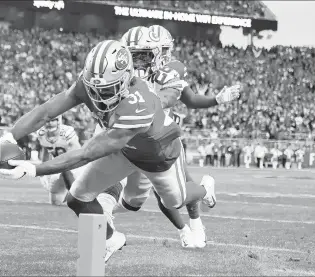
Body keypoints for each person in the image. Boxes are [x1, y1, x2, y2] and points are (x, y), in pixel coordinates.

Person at [0, 40, 217, 262]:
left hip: (158, 154)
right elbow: (46, 112)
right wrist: (10, 136)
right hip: (124, 149)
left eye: (108, 90)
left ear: (127, 79)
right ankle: (110, 239)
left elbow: (87, 153)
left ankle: (204, 189)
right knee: (77, 197)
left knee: (174, 201)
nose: (99, 96)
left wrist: (34, 169)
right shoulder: (88, 84)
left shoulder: (140, 102)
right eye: (95, 89)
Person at [96, 25, 240, 249]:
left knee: (173, 193)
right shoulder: (123, 72)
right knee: (133, 202)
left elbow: (185, 99)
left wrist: (217, 100)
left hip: (161, 142)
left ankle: (193, 224)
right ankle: (184, 225)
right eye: (136, 56)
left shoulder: (171, 70)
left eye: (147, 54)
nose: (141, 61)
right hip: (132, 139)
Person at [36, 115, 82, 205]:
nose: (49, 123)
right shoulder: (41, 133)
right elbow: (45, 153)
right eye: (47, 121)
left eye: (52, 120)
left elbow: (77, 153)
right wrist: (42, 173)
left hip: (75, 167)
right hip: (59, 168)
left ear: (58, 121)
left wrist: (64, 168)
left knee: (79, 200)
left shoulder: (66, 132)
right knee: (55, 202)